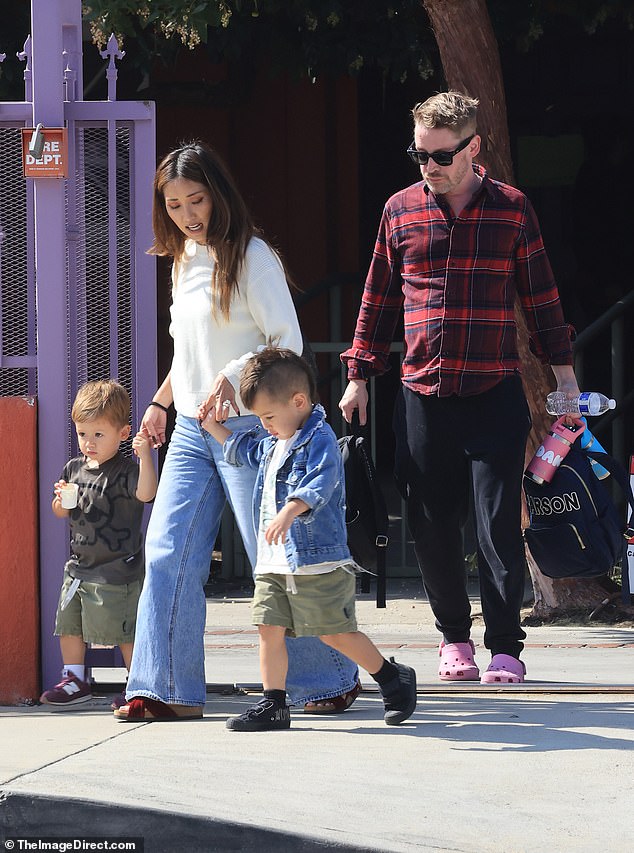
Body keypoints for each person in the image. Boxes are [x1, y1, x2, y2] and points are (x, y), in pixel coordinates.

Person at [339, 91, 580, 685]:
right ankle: (453, 640)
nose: (429, 167)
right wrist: (358, 374)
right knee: (431, 520)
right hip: (422, 393)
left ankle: (505, 645)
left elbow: (541, 297)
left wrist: (565, 375)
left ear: (474, 148)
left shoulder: (513, 210)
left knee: (498, 521)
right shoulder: (400, 211)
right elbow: (377, 297)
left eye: (441, 156)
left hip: (494, 388)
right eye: (420, 155)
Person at [115, 141, 359, 721]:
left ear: (218, 193)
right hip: (193, 429)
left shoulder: (252, 256)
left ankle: (325, 679)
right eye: (172, 205)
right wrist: (158, 401)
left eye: (195, 199)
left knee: (275, 554)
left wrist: (231, 380)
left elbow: (285, 344)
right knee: (167, 550)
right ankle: (163, 688)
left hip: (252, 427)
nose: (186, 214)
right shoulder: (182, 261)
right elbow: (189, 350)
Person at [200, 347, 417, 730]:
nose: (264, 424)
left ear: (298, 401)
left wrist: (290, 509)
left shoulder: (320, 438)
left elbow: (321, 479)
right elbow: (247, 451)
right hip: (274, 562)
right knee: (268, 629)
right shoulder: (275, 440)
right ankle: (274, 703)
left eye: (267, 416)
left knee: (333, 633)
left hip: (316, 560)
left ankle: (391, 677)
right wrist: (213, 428)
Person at [40, 380, 157, 708]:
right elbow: (59, 512)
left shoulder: (125, 470)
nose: (88, 443)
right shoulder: (74, 469)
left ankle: (138, 683)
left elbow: (147, 494)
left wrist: (146, 455)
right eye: (82, 434)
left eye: (98, 435)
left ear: (123, 433)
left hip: (117, 570)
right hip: (78, 568)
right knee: (69, 623)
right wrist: (61, 499)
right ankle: (75, 678)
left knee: (124, 630)